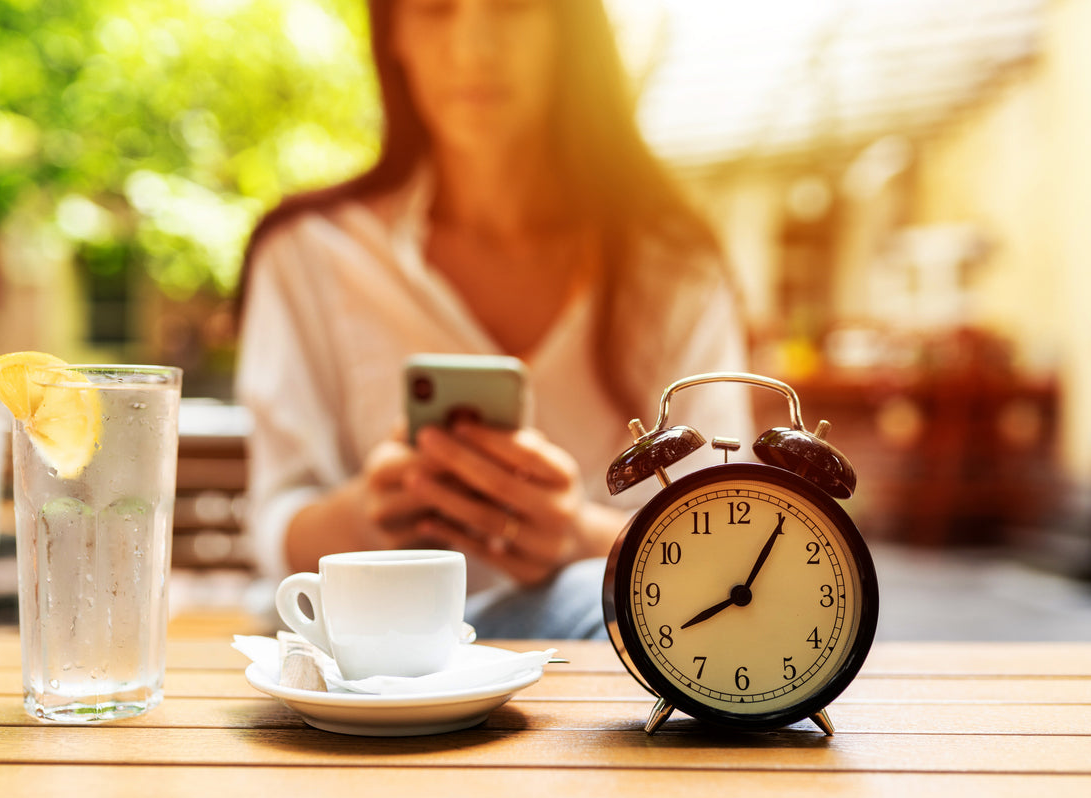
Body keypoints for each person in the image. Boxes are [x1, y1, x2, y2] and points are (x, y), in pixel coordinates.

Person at [234, 0, 752, 640]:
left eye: (511, 6)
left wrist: (576, 536)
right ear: (394, 32)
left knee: (590, 600)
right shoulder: (308, 255)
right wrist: (371, 513)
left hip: (604, 669)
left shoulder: (675, 269)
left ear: (568, 29)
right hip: (378, 665)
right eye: (435, 9)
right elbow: (279, 527)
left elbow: (731, 539)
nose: (475, 47)